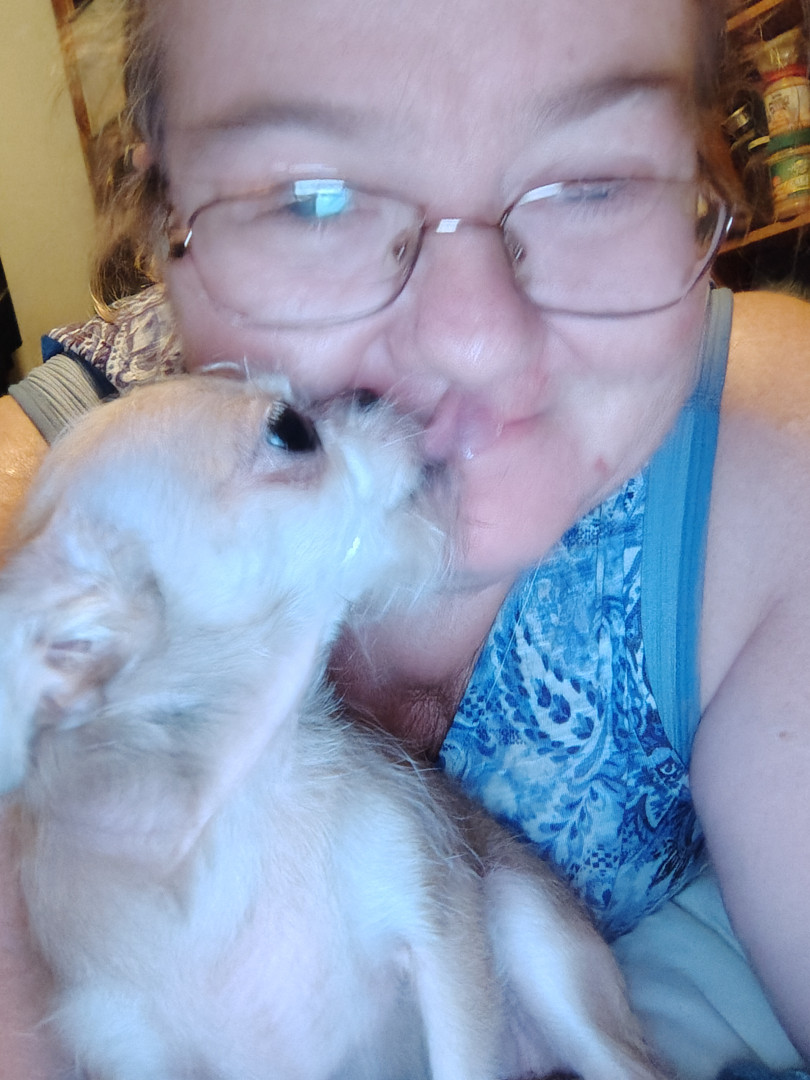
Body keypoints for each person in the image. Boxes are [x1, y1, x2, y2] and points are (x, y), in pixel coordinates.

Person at [2, 0, 810, 1076]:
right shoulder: (56, 513)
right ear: (163, 223)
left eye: (596, 180)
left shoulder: (770, 452)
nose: (473, 339)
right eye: (313, 197)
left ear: (707, 164)